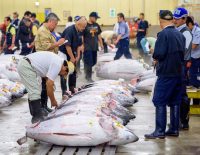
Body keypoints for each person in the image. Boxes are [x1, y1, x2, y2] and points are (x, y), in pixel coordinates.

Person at [145, 10, 185, 139]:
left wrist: (154, 52)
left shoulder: (163, 34)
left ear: (161, 21)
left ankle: (160, 131)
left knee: (159, 100)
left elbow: (159, 54)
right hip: (178, 72)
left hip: (166, 73)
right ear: (172, 19)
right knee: (174, 101)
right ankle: (174, 129)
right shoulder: (180, 34)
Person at [17, 52, 74, 123]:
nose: (61, 75)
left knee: (34, 91)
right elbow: (49, 84)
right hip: (26, 66)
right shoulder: (58, 64)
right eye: (64, 74)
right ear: (65, 68)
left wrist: (50, 85)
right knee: (34, 91)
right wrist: (53, 101)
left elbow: (46, 77)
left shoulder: (57, 61)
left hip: (26, 64)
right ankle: (37, 117)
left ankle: (35, 115)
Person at [34, 13, 65, 113]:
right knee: (45, 85)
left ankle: (44, 105)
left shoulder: (48, 31)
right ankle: (42, 107)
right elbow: (45, 46)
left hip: (47, 61)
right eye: (55, 24)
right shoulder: (43, 31)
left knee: (45, 84)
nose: (55, 26)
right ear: (50, 21)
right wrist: (58, 43)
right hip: (44, 62)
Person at [173, 7, 192, 130]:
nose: (175, 20)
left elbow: (182, 50)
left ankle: (184, 121)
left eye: (177, 19)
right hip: (176, 65)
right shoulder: (177, 30)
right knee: (176, 92)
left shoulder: (186, 32)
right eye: (174, 18)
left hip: (182, 65)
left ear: (184, 19)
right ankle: (177, 120)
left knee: (182, 93)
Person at [59, 16, 87, 95]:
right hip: (64, 53)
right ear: (78, 24)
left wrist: (77, 56)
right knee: (64, 72)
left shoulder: (79, 31)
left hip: (72, 52)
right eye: (83, 26)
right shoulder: (70, 30)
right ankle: (64, 92)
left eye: (85, 27)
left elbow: (79, 45)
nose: (84, 28)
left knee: (73, 71)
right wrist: (72, 57)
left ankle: (72, 88)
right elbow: (67, 46)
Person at [83, 12, 103, 82]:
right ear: (91, 17)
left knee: (94, 62)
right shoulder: (85, 25)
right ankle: (89, 77)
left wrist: (101, 44)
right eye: (96, 18)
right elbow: (82, 36)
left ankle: (86, 70)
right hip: (87, 46)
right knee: (90, 62)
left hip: (94, 47)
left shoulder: (96, 25)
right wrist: (82, 45)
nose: (96, 19)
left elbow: (99, 35)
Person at [186, 16, 200, 105]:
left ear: (190, 24)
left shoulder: (197, 31)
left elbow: (194, 46)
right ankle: (192, 103)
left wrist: (184, 47)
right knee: (191, 80)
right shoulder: (189, 31)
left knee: (196, 81)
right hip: (191, 58)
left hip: (197, 59)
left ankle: (196, 103)